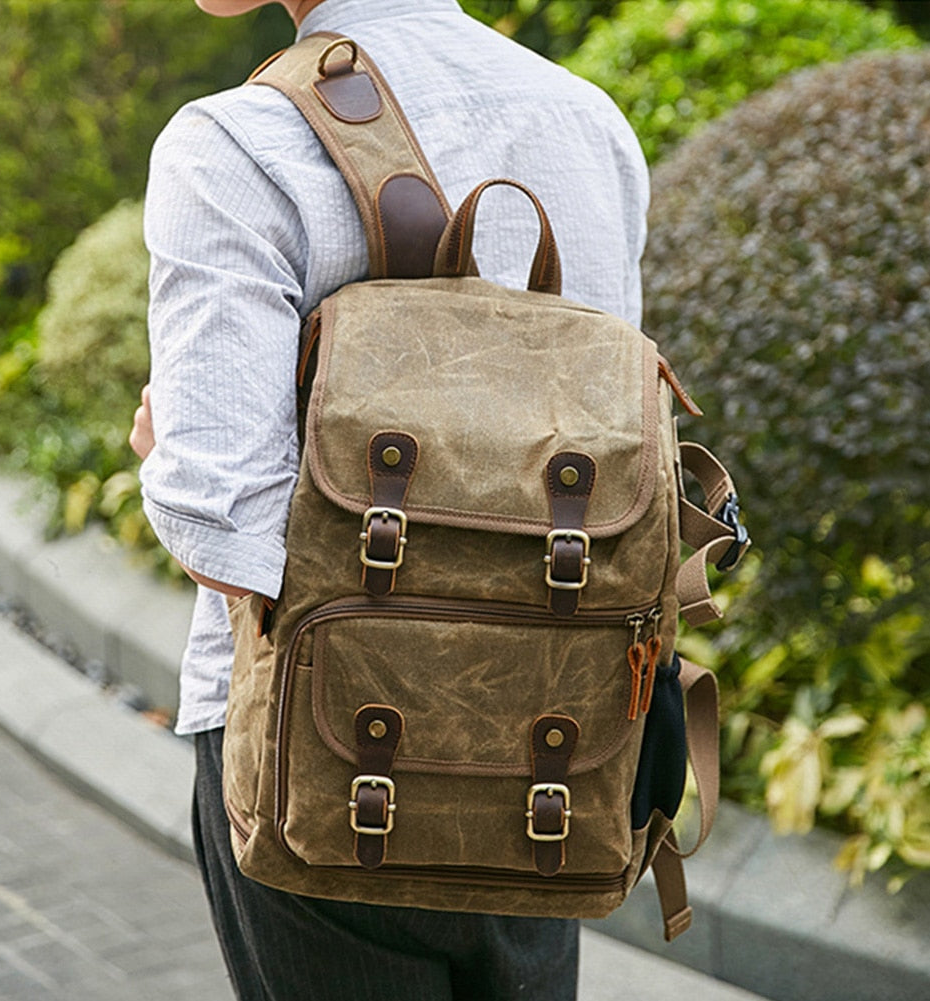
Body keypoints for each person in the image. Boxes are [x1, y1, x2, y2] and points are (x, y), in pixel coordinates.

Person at [132, 0, 649, 997]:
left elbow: (223, 531)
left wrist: (162, 453)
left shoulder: (237, 144)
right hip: (551, 743)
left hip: (318, 754)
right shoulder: (586, 123)